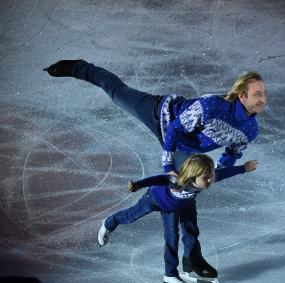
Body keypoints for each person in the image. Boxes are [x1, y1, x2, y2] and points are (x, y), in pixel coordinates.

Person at [44, 59, 266, 277]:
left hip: (184, 149)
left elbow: (232, 153)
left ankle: (191, 260)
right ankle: (79, 68)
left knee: (186, 196)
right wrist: (168, 165)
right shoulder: (213, 106)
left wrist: (214, 174)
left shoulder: (250, 129)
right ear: (242, 95)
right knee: (118, 92)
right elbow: (174, 130)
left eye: (264, 94)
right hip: (160, 113)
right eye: (258, 94)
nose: (263, 99)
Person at [97, 154, 257, 283]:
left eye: (211, 177)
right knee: (130, 216)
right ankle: (109, 222)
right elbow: (157, 179)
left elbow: (224, 173)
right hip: (154, 200)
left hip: (179, 206)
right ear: (193, 176)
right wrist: (139, 184)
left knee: (176, 237)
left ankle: (175, 273)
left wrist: (244, 168)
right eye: (206, 178)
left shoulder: (209, 177)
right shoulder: (176, 180)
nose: (210, 181)